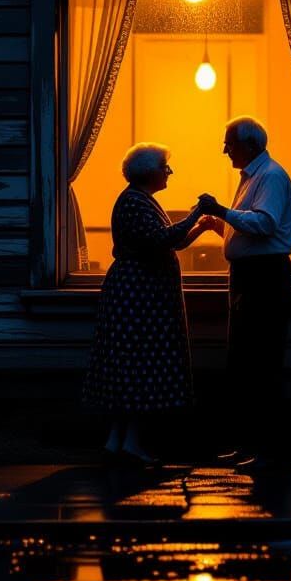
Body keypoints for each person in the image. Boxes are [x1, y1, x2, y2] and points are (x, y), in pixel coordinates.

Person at [83, 142, 215, 465]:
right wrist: (198, 212)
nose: (168, 173)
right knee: (137, 368)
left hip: (138, 297)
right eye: (165, 167)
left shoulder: (141, 201)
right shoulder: (134, 203)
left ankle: (117, 442)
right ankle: (129, 443)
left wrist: (200, 226)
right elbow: (161, 239)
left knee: (129, 368)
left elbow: (175, 239)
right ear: (148, 172)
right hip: (136, 299)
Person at [198, 116, 291, 469]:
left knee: (260, 362)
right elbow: (253, 228)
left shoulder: (269, 177)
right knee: (246, 363)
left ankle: (269, 451)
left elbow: (265, 223)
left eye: (230, 143)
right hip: (252, 275)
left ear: (249, 145)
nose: (225, 150)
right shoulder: (256, 177)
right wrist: (221, 226)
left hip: (263, 278)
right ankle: (252, 446)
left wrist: (221, 211)